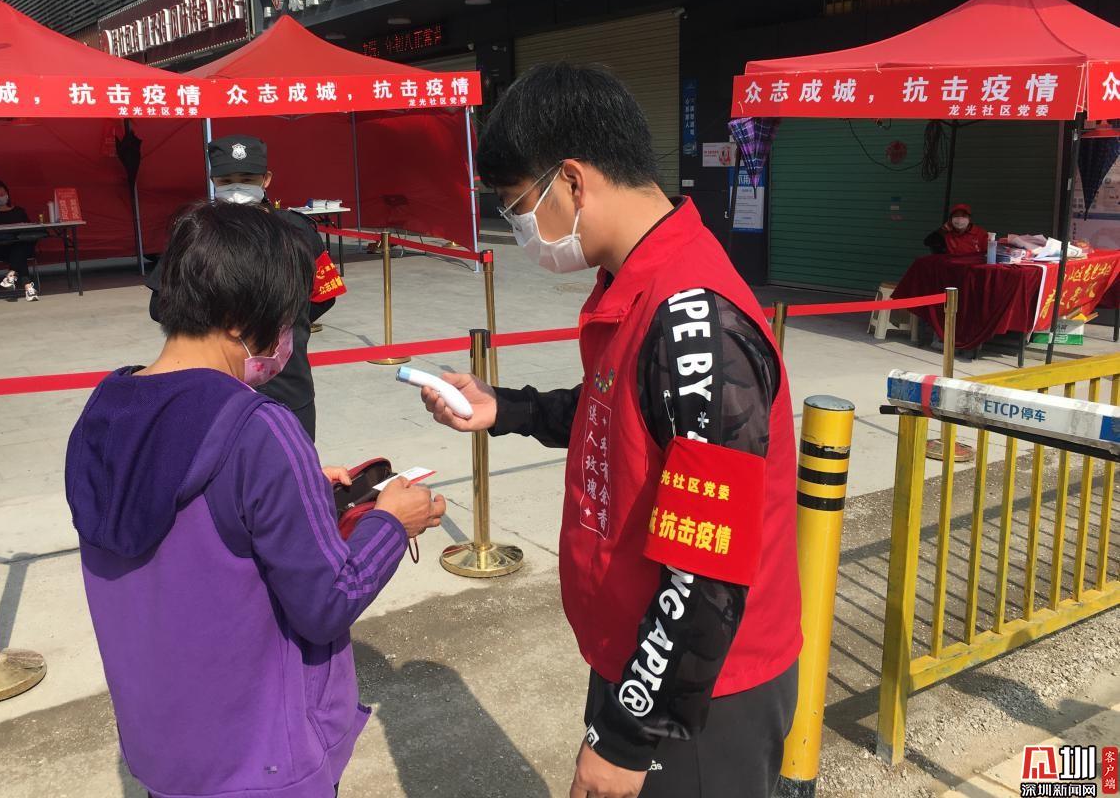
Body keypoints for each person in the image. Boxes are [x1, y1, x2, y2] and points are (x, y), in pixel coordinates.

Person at [418, 64, 800, 798]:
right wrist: (509, 409)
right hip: (644, 666)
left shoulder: (694, 323)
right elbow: (614, 409)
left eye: (518, 207)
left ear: (571, 180)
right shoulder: (638, 281)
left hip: (698, 695)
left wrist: (628, 737)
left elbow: (706, 566)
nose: (521, 233)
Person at [66, 200, 445, 798]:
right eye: (287, 319)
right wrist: (393, 523)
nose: (287, 337)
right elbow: (328, 600)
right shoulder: (258, 427)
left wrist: (300, 487)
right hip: (263, 759)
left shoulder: (104, 412)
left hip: (162, 749)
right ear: (242, 318)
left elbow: (191, 521)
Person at [146, 135, 344, 440]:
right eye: (226, 180)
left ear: (266, 179)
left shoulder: (298, 231)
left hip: (287, 390)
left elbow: (324, 295)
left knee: (292, 463)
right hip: (216, 387)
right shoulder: (195, 232)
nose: (236, 188)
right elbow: (161, 305)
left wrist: (283, 321)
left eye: (247, 179)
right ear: (213, 180)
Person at [0, 180, 39, 302]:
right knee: (19, 250)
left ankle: (13, 276)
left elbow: (29, 229)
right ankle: (27, 287)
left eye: (3, 194)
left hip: (21, 247)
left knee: (19, 247)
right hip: (1, 249)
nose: (1, 197)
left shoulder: (19, 211)